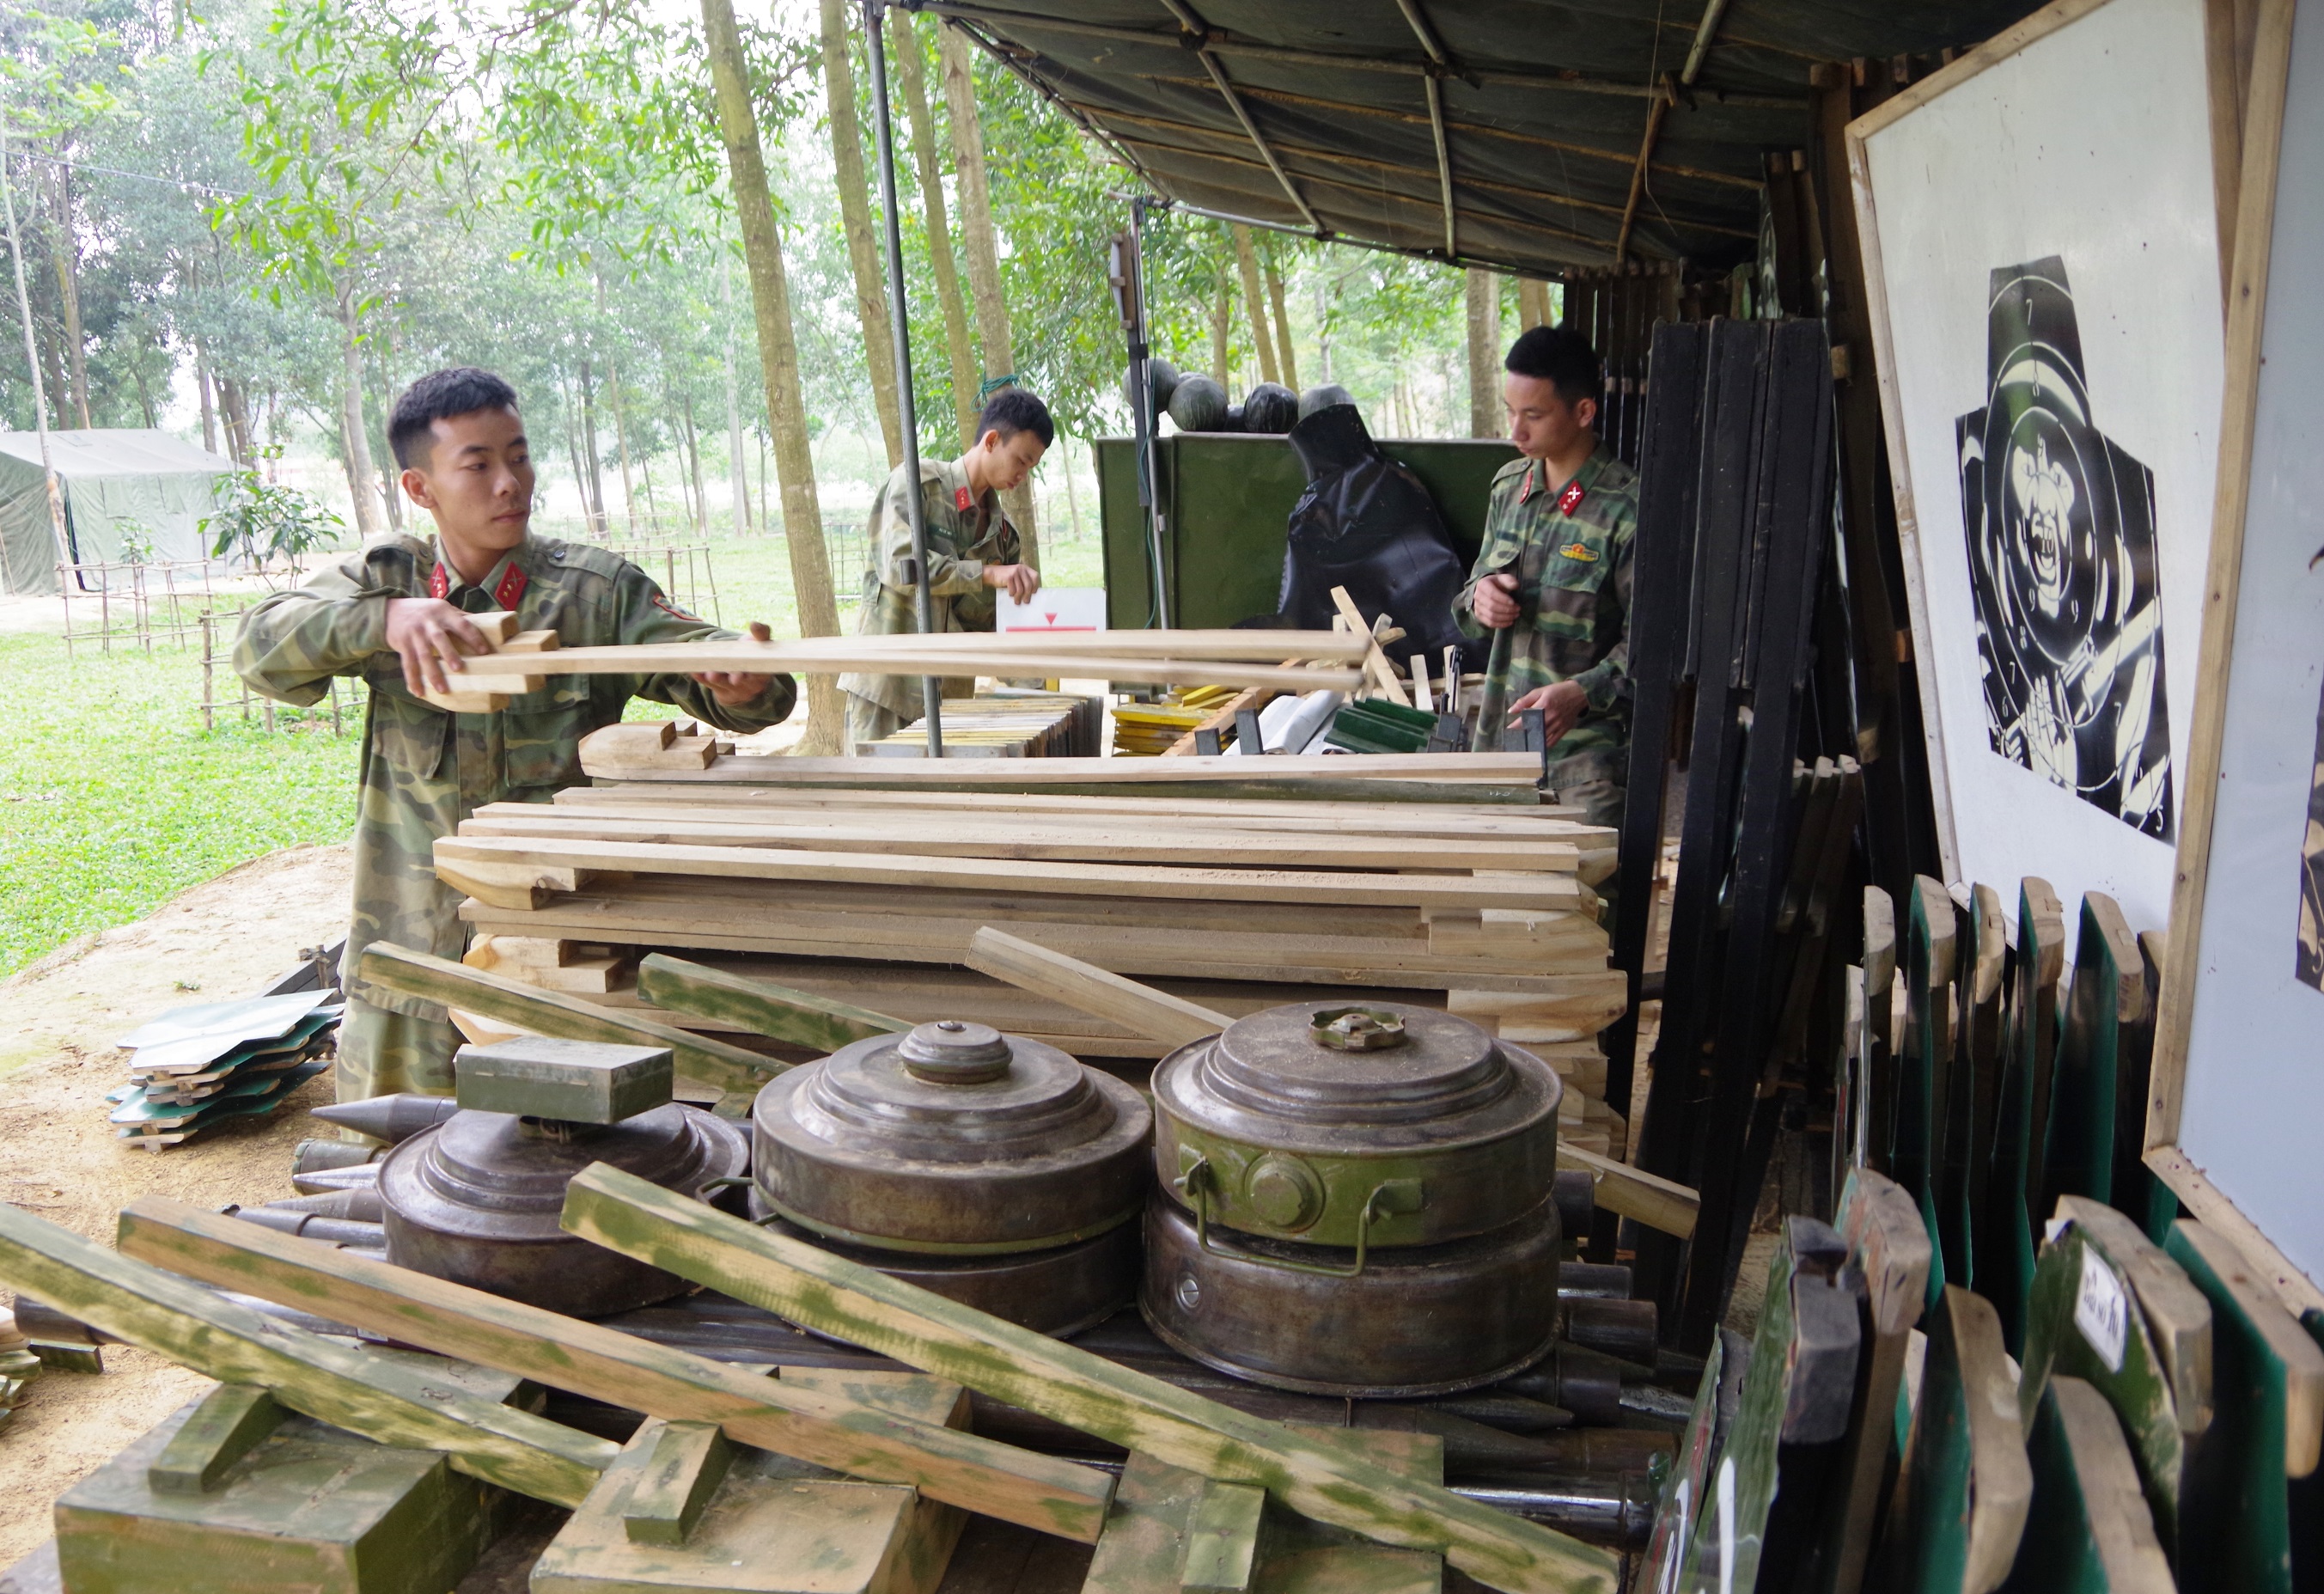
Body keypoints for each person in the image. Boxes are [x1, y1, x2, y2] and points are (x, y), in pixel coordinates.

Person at [235, 367, 796, 1102]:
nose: (510, 483)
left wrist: (744, 680)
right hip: (412, 953)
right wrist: (383, 618)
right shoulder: (387, 582)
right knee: (395, 1149)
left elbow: (731, 677)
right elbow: (257, 647)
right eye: (478, 465)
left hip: (560, 954)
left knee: (565, 1149)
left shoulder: (593, 593)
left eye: (520, 456)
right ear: (420, 487)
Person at [1455, 324, 1636, 834]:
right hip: (1500, 753)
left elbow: (1654, 646)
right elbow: (1468, 601)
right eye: (1510, 411)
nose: (1516, 431)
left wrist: (1580, 692)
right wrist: (1480, 599)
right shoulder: (1508, 490)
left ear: (1584, 411)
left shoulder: (1627, 510)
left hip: (1585, 767)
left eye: (1533, 415)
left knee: (1585, 883)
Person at [838, 388, 1052, 750]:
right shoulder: (916, 486)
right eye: (1021, 460)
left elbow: (1002, 626)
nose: (1023, 475)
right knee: (877, 785)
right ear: (991, 441)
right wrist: (985, 574)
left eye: (1031, 467)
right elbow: (900, 568)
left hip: (950, 706)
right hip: (887, 691)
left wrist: (1038, 697)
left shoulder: (1003, 535)